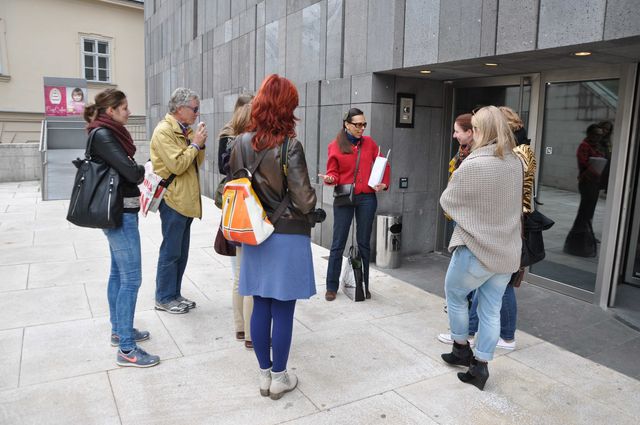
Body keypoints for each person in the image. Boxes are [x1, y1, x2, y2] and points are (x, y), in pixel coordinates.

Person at [229, 74, 317, 400]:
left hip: (254, 233)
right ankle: (280, 377)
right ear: (286, 108)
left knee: (261, 303)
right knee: (283, 309)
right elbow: (304, 199)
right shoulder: (290, 146)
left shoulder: (239, 143)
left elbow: (236, 187)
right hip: (287, 234)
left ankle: (264, 376)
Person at [439, 105, 522, 391]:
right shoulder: (515, 162)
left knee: (455, 294)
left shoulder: (475, 163)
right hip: (507, 250)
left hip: (475, 248)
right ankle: (481, 365)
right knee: (490, 309)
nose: (470, 132)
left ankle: (461, 347)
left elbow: (447, 201)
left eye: (474, 126)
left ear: (481, 130)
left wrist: (471, 222)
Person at [84, 89, 160, 368]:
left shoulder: (108, 132)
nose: (129, 112)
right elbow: (131, 172)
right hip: (118, 215)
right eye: (125, 108)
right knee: (131, 279)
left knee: (118, 274)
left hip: (120, 212)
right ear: (111, 111)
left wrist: (135, 168)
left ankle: (120, 331)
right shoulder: (104, 135)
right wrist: (143, 169)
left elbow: (126, 169)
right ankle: (127, 348)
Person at [319, 108, 391, 301]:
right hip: (344, 198)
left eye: (363, 124)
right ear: (347, 125)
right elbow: (333, 172)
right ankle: (331, 286)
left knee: (364, 243)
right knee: (338, 242)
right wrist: (329, 178)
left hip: (367, 198)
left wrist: (383, 183)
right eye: (357, 125)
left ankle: (363, 285)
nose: (361, 128)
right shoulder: (336, 145)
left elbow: (384, 164)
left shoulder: (370, 144)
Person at [151, 88, 208, 314]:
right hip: (173, 199)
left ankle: (174, 294)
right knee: (171, 250)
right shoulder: (164, 131)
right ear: (179, 109)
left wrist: (199, 145)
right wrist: (194, 144)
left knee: (181, 252)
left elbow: (196, 163)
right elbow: (177, 165)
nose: (197, 113)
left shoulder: (184, 130)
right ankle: (163, 297)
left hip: (185, 199)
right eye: (194, 109)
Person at [217, 93, 254, 349]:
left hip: (235, 204)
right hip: (250, 207)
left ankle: (241, 328)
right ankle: (250, 333)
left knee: (240, 273)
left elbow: (224, 169)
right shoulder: (248, 141)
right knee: (249, 273)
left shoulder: (229, 137)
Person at [563, 124, 606, 258]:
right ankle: (578, 238)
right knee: (584, 210)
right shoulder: (584, 145)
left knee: (589, 210)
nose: (598, 137)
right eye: (595, 134)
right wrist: (595, 170)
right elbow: (583, 162)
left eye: (600, 135)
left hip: (595, 182)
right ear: (589, 133)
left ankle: (586, 234)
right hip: (586, 181)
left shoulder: (597, 146)